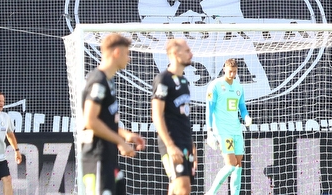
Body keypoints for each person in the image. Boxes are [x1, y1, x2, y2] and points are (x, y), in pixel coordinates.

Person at [79, 33, 146, 195]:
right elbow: (90, 120)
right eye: (127, 53)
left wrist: (125, 135)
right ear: (116, 52)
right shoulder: (98, 80)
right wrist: (120, 142)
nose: (129, 58)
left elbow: (104, 121)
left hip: (108, 157)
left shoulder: (108, 81)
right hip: (96, 157)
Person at [152, 38, 196, 195]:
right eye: (187, 51)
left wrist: (191, 144)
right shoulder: (163, 79)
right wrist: (170, 145)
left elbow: (184, 117)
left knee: (178, 188)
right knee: (182, 188)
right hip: (171, 143)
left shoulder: (184, 81)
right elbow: (156, 115)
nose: (191, 54)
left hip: (184, 142)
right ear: (176, 54)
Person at [205, 58, 252, 195]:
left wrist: (246, 117)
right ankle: (211, 193)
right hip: (223, 131)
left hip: (236, 130)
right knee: (231, 164)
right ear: (224, 69)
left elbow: (242, 107)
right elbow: (209, 109)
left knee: (238, 165)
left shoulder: (238, 87)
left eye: (235, 72)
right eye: (230, 71)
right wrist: (209, 131)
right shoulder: (215, 86)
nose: (232, 74)